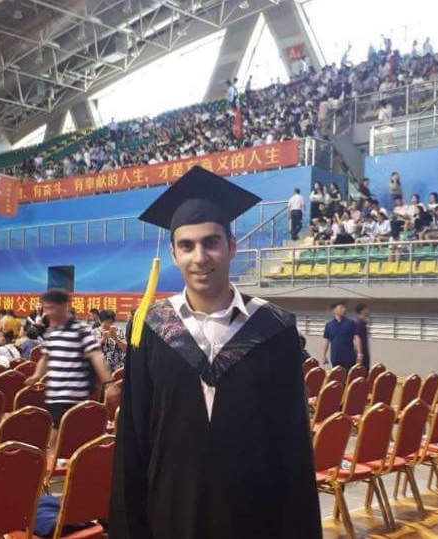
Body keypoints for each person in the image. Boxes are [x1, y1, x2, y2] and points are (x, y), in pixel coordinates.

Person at [110, 166, 321, 539]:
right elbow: (133, 443)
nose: (200, 257)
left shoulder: (274, 328)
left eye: (211, 242)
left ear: (231, 246)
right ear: (173, 254)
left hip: (254, 519)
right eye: (186, 246)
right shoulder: (151, 329)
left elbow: (293, 447)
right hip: (169, 518)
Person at [25, 289, 110, 446]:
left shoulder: (81, 330)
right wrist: (36, 376)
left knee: (60, 439)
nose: (47, 312)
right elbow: (46, 357)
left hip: (75, 395)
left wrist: (108, 382)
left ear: (64, 306)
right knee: (58, 438)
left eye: (51, 308)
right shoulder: (53, 332)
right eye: (46, 308)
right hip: (54, 395)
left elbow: (96, 356)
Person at [323, 301, 363, 370]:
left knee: (348, 376)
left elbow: (356, 337)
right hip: (335, 358)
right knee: (337, 376)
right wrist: (324, 355)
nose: (344, 310)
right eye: (341, 308)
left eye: (344, 308)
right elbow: (326, 340)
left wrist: (359, 354)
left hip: (349, 358)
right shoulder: (329, 325)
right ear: (334, 310)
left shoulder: (351, 323)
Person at [354, 303, 370, 369]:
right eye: (366, 309)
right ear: (361, 311)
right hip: (361, 352)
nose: (368, 311)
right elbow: (357, 337)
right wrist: (359, 353)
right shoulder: (359, 323)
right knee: (361, 371)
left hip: (365, 351)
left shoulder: (363, 322)